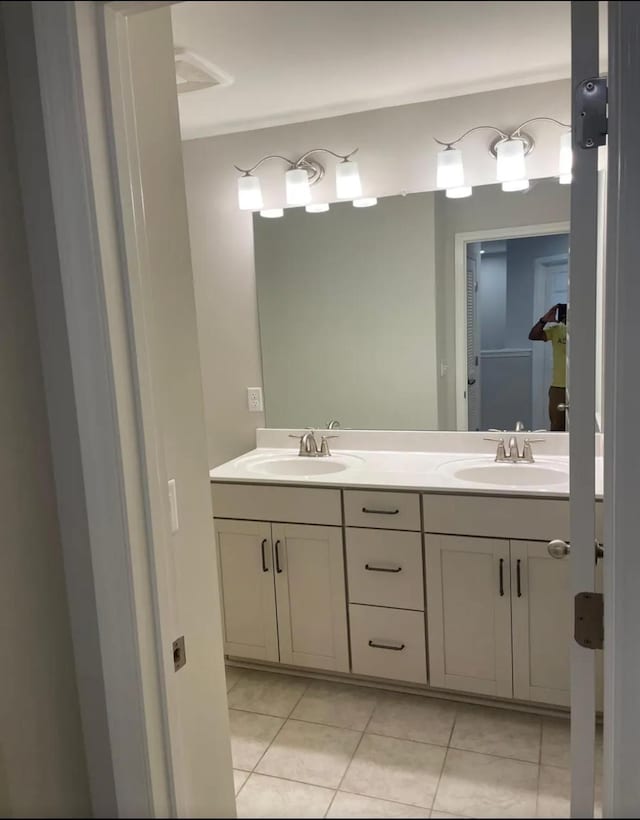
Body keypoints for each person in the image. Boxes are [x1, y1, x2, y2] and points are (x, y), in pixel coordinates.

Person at [529, 304, 567, 431]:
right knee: (557, 428)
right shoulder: (557, 329)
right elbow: (533, 335)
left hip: (581, 386)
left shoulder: (586, 331)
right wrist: (544, 320)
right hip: (559, 387)